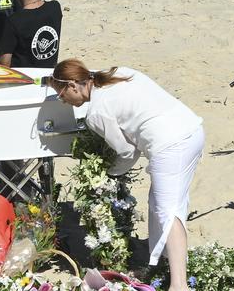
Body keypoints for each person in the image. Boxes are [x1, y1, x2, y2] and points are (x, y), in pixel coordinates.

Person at [50, 58, 204, 291]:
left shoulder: (96, 113)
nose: (63, 101)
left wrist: (110, 174)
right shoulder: (117, 73)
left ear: (73, 85)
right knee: (162, 203)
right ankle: (165, 263)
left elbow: (126, 152)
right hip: (191, 129)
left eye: (61, 95)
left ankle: (179, 285)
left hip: (169, 145)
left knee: (167, 210)